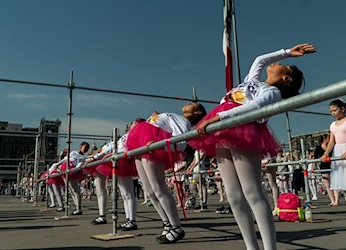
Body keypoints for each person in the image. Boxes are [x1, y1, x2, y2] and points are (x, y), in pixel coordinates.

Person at [189, 43, 315, 250]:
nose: (278, 63)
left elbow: (254, 107)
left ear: (286, 79)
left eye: (284, 64)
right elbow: (259, 60)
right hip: (222, 130)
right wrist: (287, 52)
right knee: (233, 195)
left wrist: (219, 117)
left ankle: (269, 247)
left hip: (242, 131)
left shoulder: (272, 92)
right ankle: (251, 247)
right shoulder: (251, 81)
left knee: (252, 191)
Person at [126, 102, 207, 244]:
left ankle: (176, 227)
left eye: (193, 104)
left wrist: (159, 145)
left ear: (197, 113)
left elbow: (180, 142)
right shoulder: (175, 117)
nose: (188, 103)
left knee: (159, 190)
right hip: (142, 145)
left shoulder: (182, 121)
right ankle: (167, 224)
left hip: (151, 148)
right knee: (150, 191)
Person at [50, 142, 90, 215]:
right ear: (81, 146)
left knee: (75, 189)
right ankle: (77, 207)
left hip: (73, 171)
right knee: (71, 189)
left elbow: (79, 165)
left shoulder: (84, 157)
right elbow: (65, 159)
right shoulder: (74, 152)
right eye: (85, 147)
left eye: (87, 148)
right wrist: (58, 164)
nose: (86, 149)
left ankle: (78, 208)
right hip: (65, 169)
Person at [314, 134, 336, 206]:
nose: (330, 139)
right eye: (328, 138)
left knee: (335, 183)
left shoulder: (332, 147)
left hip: (333, 165)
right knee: (327, 184)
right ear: (325, 139)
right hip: (323, 166)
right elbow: (315, 158)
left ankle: (336, 200)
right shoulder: (318, 148)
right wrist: (312, 168)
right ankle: (332, 200)